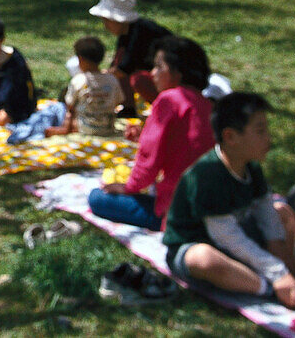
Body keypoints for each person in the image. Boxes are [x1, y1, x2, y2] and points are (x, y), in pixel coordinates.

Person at [162, 92, 295, 309]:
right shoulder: (206, 177)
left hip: (237, 236)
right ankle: (266, 288)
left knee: (282, 212)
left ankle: (291, 279)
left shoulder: (251, 167)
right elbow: (226, 236)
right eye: (260, 131)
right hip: (201, 243)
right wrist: (276, 275)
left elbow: (267, 216)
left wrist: (283, 265)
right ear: (230, 137)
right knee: (203, 259)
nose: (268, 138)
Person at [88, 35, 215, 229]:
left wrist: (128, 188)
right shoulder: (206, 105)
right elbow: (182, 143)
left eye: (158, 67)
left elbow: (149, 160)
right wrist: (143, 135)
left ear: (177, 72)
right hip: (212, 202)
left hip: (177, 210)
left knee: (97, 198)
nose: (153, 73)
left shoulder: (168, 100)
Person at [88, 0, 172, 117]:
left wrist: (99, 76)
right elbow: (118, 64)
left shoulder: (140, 32)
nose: (105, 26)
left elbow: (125, 68)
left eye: (107, 21)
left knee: (138, 80)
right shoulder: (126, 33)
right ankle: (128, 107)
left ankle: (167, 109)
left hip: (169, 77)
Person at [46, 36, 124, 137]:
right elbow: (119, 100)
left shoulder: (78, 80)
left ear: (80, 59)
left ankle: (65, 129)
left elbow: (69, 106)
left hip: (84, 128)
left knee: (70, 109)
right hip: (107, 128)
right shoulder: (112, 79)